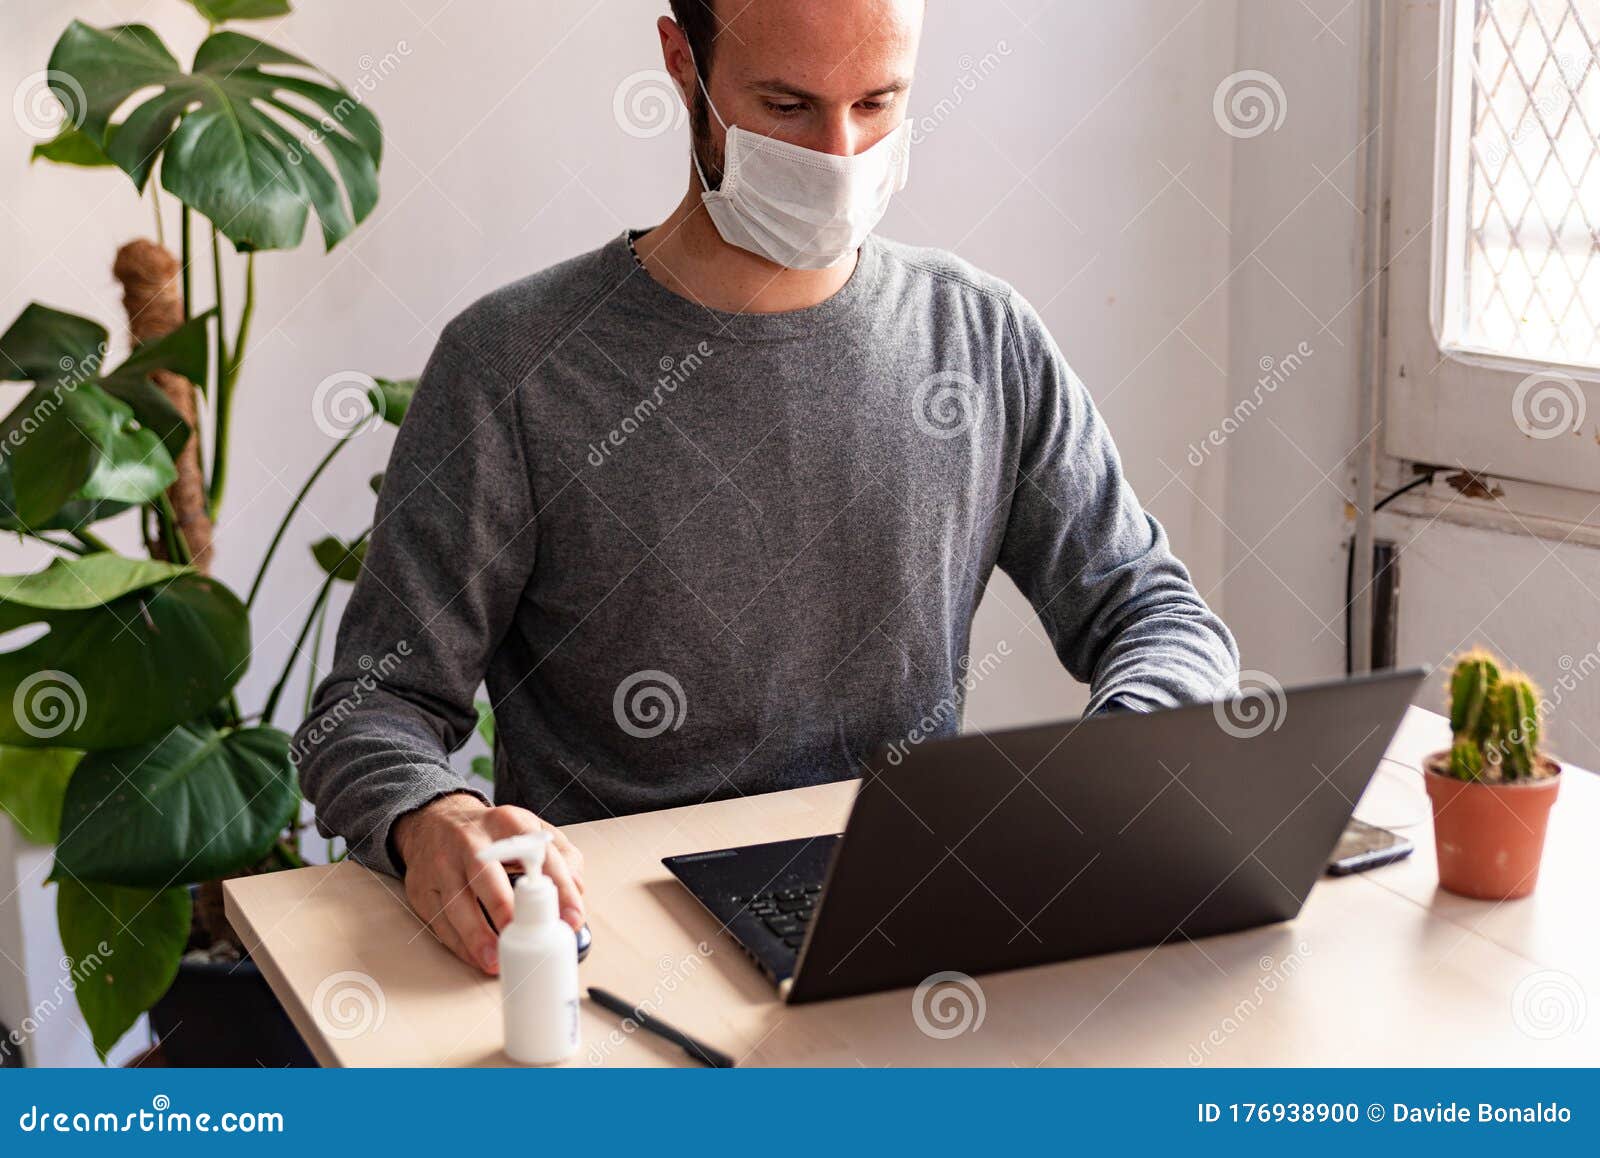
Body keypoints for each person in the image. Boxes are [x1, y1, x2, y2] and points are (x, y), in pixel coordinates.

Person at [295, 0, 1238, 977]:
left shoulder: (979, 341)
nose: (839, 155)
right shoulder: (516, 367)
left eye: (878, 102)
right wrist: (434, 819)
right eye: (786, 105)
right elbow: (372, 708)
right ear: (680, 62)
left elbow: (1150, 609)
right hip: (612, 952)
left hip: (904, 929)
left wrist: (1114, 768)